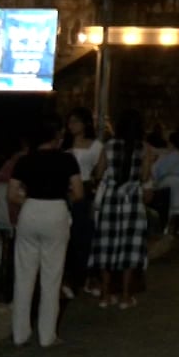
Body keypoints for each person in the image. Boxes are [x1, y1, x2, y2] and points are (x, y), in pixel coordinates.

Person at [10, 118, 82, 348]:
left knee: (24, 274)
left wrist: (30, 201)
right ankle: (47, 334)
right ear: (56, 136)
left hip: (30, 209)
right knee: (52, 275)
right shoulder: (67, 159)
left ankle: (20, 332)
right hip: (56, 211)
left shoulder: (24, 160)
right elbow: (78, 192)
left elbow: (12, 194)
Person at [91, 110, 150, 310]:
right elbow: (144, 176)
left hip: (111, 200)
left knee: (106, 246)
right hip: (132, 201)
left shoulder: (108, 146)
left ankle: (106, 296)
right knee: (130, 249)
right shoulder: (144, 149)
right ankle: (126, 296)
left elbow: (99, 172)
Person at [63, 107, 104, 299]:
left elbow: (100, 172)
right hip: (64, 189)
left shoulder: (96, 146)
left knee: (83, 232)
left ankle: (85, 275)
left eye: (76, 122)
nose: (72, 126)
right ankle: (70, 276)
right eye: (70, 122)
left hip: (84, 188)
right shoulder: (64, 144)